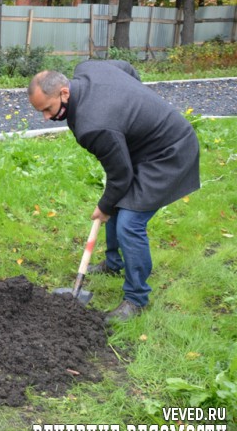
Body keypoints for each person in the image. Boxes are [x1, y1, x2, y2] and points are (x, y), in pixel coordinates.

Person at [28, 60, 200, 322]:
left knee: (129, 223)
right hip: (144, 147)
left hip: (170, 152)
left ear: (64, 92)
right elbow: (126, 68)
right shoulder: (87, 69)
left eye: (48, 109)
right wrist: (132, 114)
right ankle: (113, 264)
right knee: (117, 205)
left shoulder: (93, 125)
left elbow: (121, 176)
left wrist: (104, 206)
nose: (46, 117)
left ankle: (136, 299)